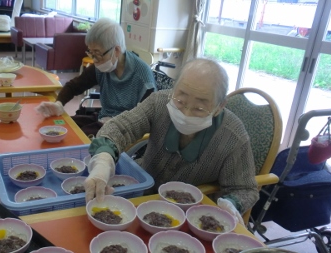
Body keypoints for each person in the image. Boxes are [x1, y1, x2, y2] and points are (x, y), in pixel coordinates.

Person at [84, 58, 259, 224]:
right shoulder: (160, 102)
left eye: (199, 108)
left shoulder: (232, 135)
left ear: (219, 106)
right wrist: (103, 161)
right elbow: (122, 127)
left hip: (190, 216)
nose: (186, 113)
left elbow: (244, 188)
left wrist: (231, 203)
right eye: (181, 100)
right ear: (173, 89)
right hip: (141, 196)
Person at [36, 18, 156, 136]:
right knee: (64, 126)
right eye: (91, 53)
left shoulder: (142, 76)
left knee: (74, 137)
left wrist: (117, 123)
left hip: (125, 130)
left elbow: (149, 119)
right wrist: (59, 104)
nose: (94, 60)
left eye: (98, 54)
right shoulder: (102, 67)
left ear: (117, 50)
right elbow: (74, 86)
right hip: (103, 118)